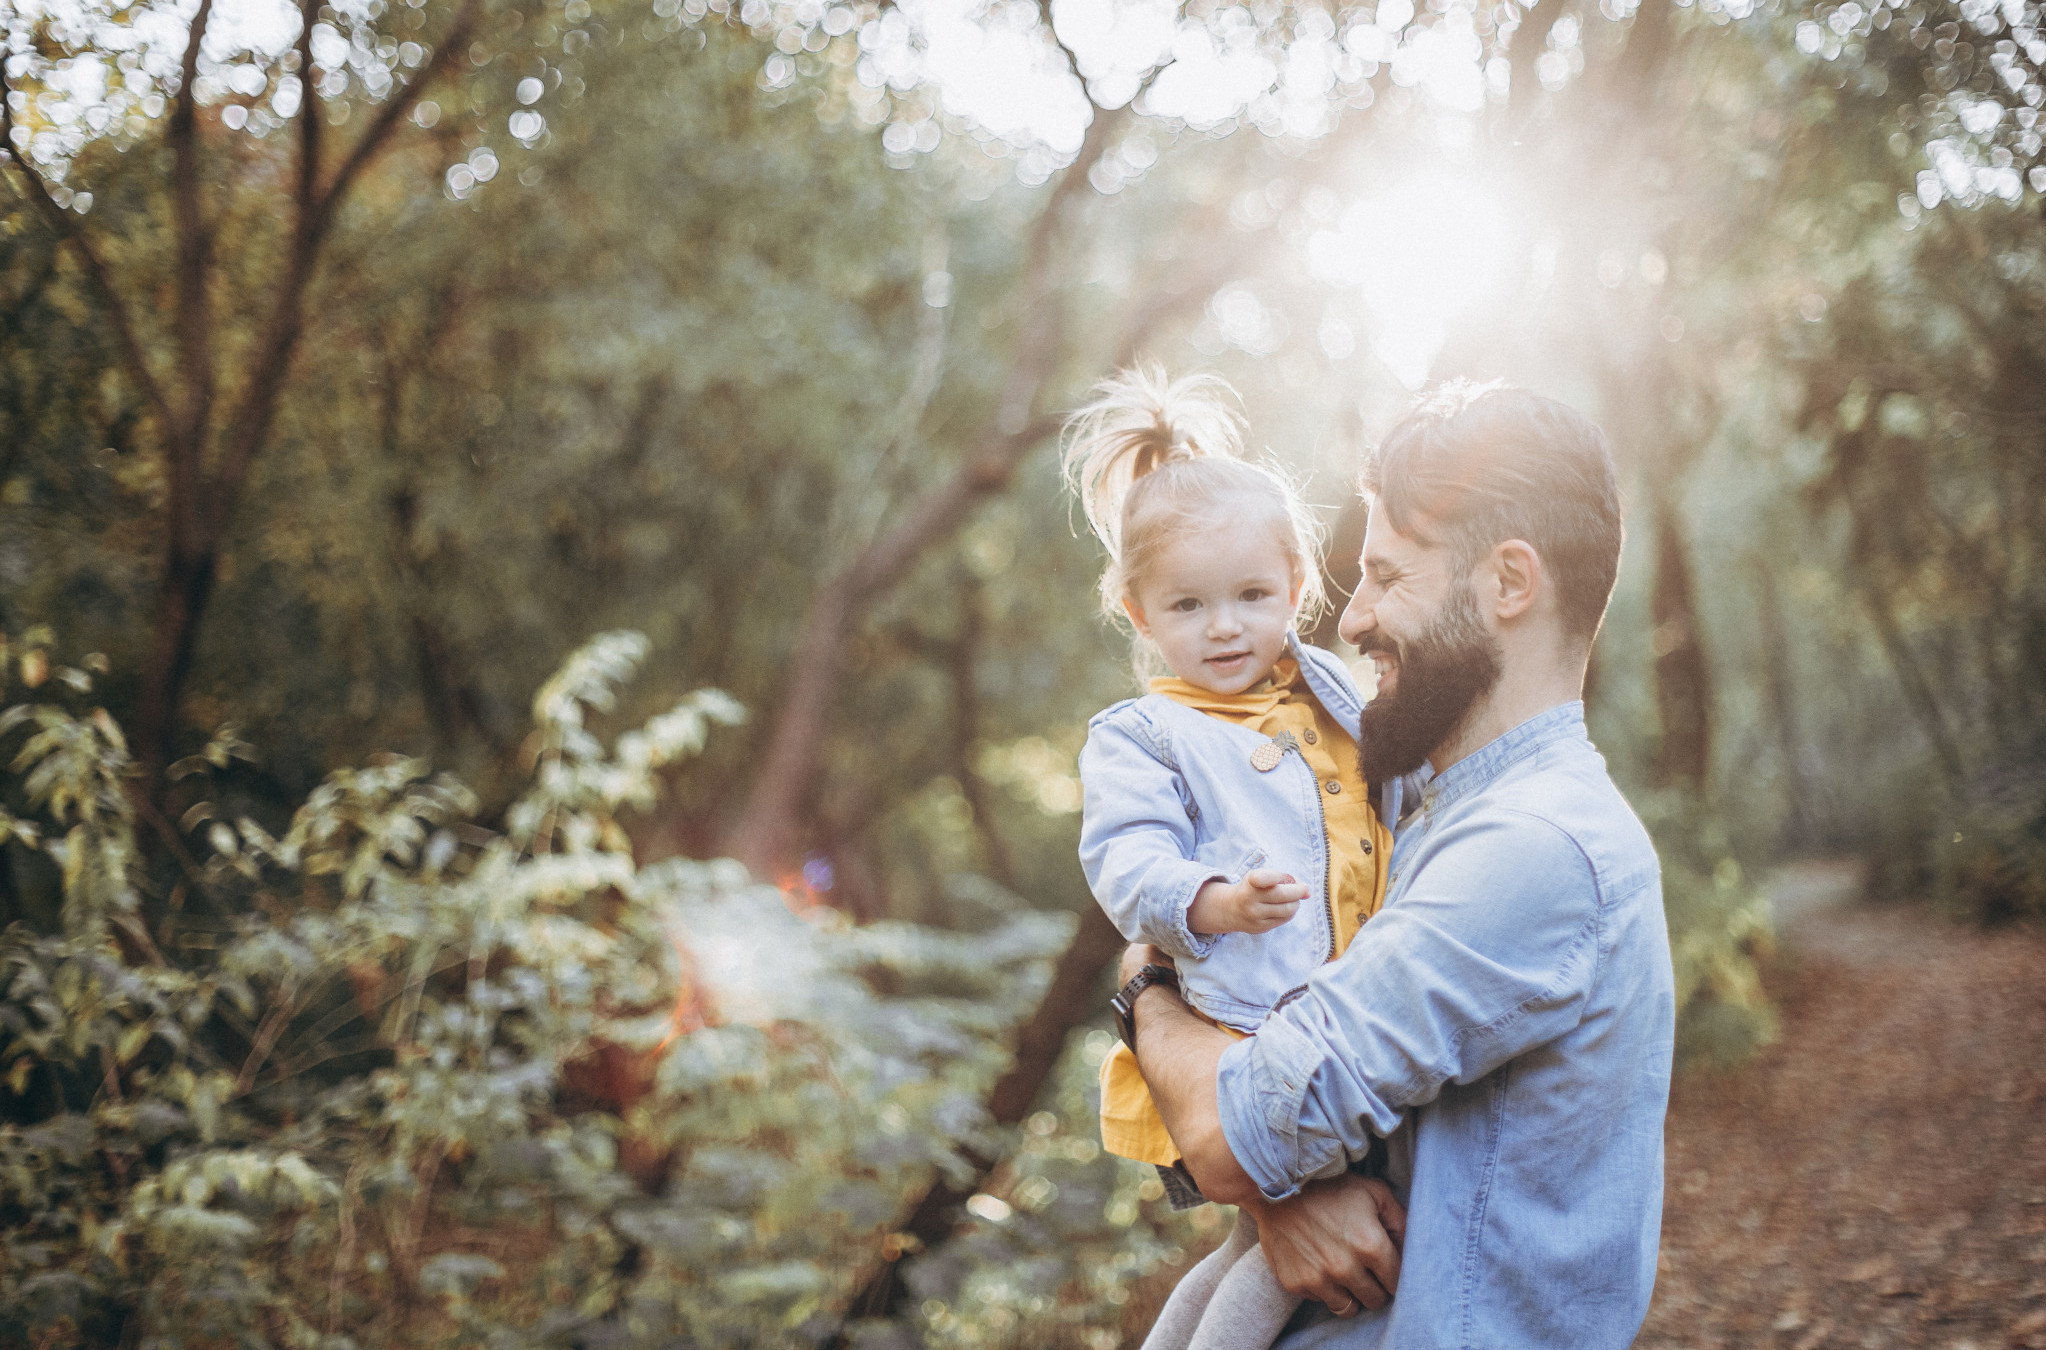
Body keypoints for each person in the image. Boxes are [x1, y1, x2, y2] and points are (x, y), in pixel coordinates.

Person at [1112, 381, 1676, 1349]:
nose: (1352, 618)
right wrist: (1285, 1200)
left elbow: (1231, 1134)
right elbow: (1289, 1120)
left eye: (1386, 576)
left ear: (1509, 583)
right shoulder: (1422, 817)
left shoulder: (1530, 849)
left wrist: (1144, 988)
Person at [1064, 366, 1397, 1350]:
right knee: (1280, 1253)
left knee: (1261, 1256)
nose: (1224, 627)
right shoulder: (1144, 736)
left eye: (1252, 596)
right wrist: (1210, 898)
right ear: (1138, 612)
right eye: (1188, 605)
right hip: (1254, 1032)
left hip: (1355, 1016)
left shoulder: (1334, 691)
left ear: (1295, 585)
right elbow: (1125, 863)